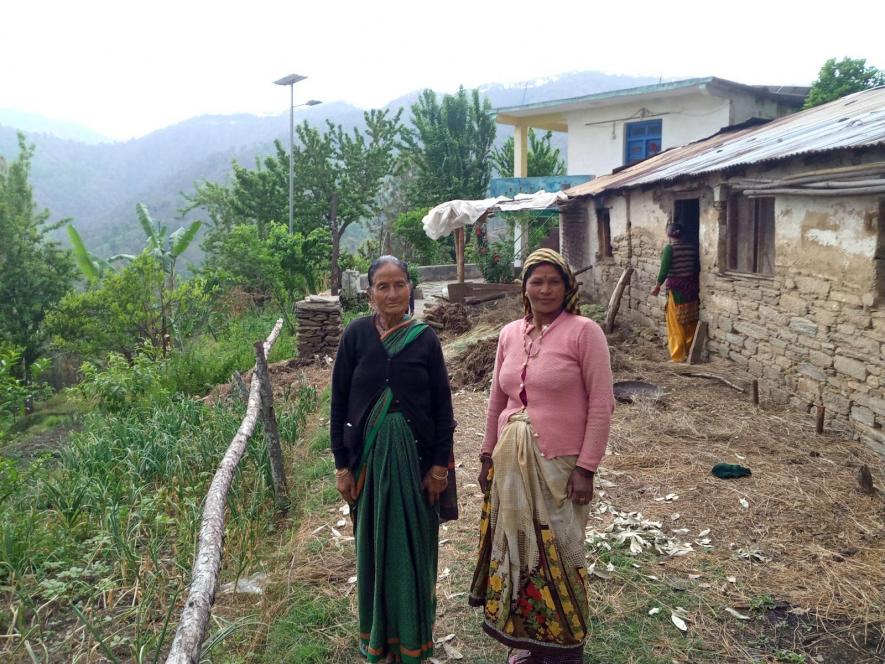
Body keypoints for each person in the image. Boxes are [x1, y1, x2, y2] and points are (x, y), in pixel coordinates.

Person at [469, 248, 614, 664]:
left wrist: (587, 468)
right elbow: (497, 400)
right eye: (537, 281)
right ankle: (529, 642)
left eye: (554, 281)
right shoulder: (509, 334)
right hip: (509, 461)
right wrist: (485, 456)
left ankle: (567, 647)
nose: (545, 289)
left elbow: (602, 404)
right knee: (518, 550)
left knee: (560, 552)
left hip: (560, 466)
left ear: (567, 287)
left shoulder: (585, 333)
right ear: (525, 288)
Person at [330, 255, 457, 663]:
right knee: (374, 546)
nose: (391, 293)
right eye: (382, 286)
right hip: (368, 465)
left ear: (410, 289)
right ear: (369, 294)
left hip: (415, 467)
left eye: (398, 284)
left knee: (414, 548)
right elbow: (338, 404)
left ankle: (414, 638)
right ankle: (379, 639)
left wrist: (439, 466)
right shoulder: (355, 337)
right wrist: (342, 465)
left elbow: (442, 408)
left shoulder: (425, 340)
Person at [651, 224, 701, 362]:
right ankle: (690, 352)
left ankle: (678, 356)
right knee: (690, 320)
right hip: (691, 288)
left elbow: (664, 270)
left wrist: (657, 286)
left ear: (668, 234)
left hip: (677, 290)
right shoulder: (691, 248)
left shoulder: (670, 249)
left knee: (675, 323)